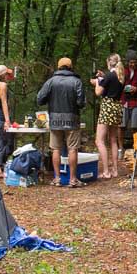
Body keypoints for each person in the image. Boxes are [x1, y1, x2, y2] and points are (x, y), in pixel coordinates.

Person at [36, 57, 87, 187]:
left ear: (58, 67)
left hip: (55, 119)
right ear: (71, 67)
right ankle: (72, 180)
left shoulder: (51, 82)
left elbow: (40, 99)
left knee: (56, 149)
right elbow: (81, 103)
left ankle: (57, 178)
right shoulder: (77, 82)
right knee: (72, 149)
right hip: (72, 119)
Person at [91, 53, 125, 179]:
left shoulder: (110, 75)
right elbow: (110, 83)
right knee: (113, 139)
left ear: (108, 62)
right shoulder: (120, 75)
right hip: (117, 107)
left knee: (99, 140)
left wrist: (97, 82)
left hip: (107, 107)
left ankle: (106, 171)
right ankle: (115, 170)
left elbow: (98, 92)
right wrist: (103, 78)